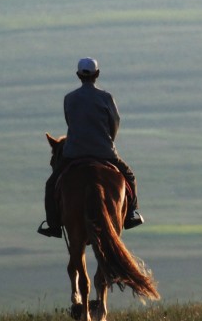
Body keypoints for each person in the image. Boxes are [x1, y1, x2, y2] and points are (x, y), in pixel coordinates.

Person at [38, 57, 144, 238]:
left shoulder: (69, 99)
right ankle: (131, 215)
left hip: (74, 154)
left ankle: (53, 224)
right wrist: (107, 140)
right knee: (129, 176)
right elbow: (115, 123)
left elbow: (70, 123)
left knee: (51, 185)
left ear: (78, 75)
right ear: (98, 74)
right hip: (104, 152)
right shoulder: (106, 98)